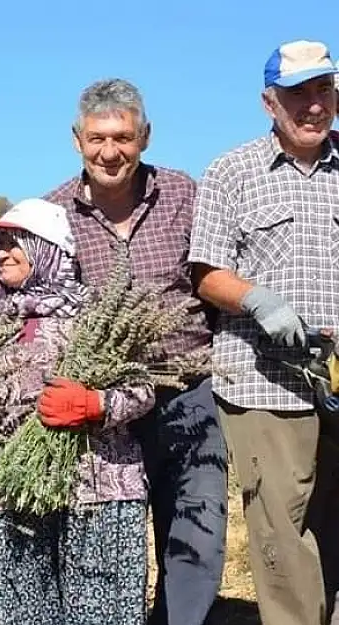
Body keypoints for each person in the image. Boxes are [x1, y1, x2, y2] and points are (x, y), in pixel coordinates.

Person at [38, 78, 226, 625]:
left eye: (123, 137)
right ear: (77, 140)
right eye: (97, 138)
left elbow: (214, 280)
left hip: (186, 393)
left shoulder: (184, 195)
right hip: (100, 409)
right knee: (107, 542)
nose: (109, 152)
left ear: (144, 137)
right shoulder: (52, 216)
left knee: (197, 535)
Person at [190, 40, 339, 625]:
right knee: (285, 534)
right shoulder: (232, 171)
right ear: (268, 102)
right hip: (265, 386)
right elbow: (205, 272)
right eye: (296, 93)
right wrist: (257, 300)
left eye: (323, 89)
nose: (312, 105)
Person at [0, 199, 152, 625]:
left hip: (97, 492)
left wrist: (96, 404)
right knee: (23, 615)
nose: (0, 253)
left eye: (14, 243)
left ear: (48, 248)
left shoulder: (98, 313)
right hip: (12, 493)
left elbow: (143, 389)